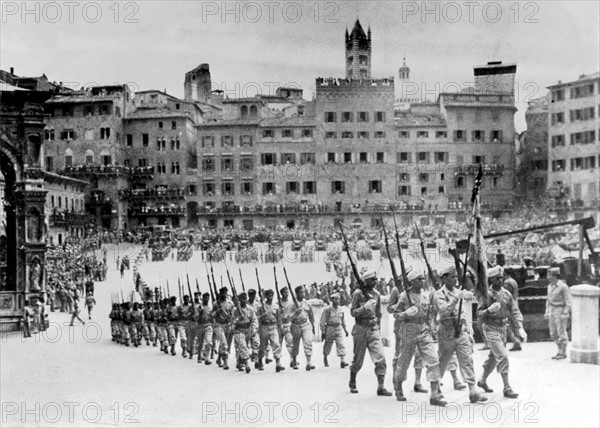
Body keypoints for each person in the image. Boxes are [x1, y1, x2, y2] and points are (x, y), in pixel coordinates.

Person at [432, 266, 487, 404]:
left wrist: (468, 331)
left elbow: (463, 313)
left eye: (456, 276)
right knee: (442, 362)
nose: (455, 279)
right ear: (444, 278)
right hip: (447, 332)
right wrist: (456, 298)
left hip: (461, 331)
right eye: (451, 276)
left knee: (467, 360)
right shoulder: (438, 294)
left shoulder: (459, 292)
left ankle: (473, 391)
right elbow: (443, 311)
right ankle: (434, 391)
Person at [392, 270, 446, 406]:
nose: (422, 281)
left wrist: (431, 327)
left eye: (423, 279)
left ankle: (434, 395)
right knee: (404, 361)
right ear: (412, 282)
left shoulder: (425, 296)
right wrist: (405, 313)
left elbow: (429, 314)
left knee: (433, 360)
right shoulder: (404, 296)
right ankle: (398, 387)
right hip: (409, 329)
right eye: (419, 279)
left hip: (423, 329)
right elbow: (396, 315)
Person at [477, 266, 526, 398]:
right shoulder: (486, 295)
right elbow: (479, 313)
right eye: (497, 278)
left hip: (503, 328)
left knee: (494, 356)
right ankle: (507, 387)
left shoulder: (506, 294)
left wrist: (520, 327)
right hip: (490, 327)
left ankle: (482, 380)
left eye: (501, 277)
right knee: (503, 356)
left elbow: (514, 311)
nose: (500, 280)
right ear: (491, 279)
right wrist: (488, 311)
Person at [349, 270, 392, 397]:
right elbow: (353, 312)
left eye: (375, 279)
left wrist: (377, 327)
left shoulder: (377, 294)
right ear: (365, 281)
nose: (375, 282)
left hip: (373, 329)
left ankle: (381, 386)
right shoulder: (358, 293)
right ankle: (352, 381)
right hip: (360, 328)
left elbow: (379, 313)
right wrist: (364, 308)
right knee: (358, 360)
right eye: (372, 280)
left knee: (381, 357)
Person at [256, 289, 285, 372]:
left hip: (273, 326)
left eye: (272, 295)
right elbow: (257, 318)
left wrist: (280, 328)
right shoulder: (261, 307)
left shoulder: (276, 306)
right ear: (265, 296)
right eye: (269, 295)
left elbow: (279, 319)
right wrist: (262, 316)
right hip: (264, 326)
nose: (271, 297)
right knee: (262, 346)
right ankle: (260, 361)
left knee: (276, 344)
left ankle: (278, 363)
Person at [545, 267, 571, 360]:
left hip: (560, 309)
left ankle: (563, 352)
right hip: (552, 309)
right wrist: (547, 311)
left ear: (554, 276)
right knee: (553, 333)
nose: (547, 277)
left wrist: (565, 313)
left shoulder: (563, 286)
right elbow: (548, 300)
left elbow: (568, 301)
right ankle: (559, 350)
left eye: (549, 275)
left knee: (561, 331)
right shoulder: (549, 286)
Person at [289, 285, 316, 371]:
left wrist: (313, 326)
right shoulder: (292, 304)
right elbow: (287, 317)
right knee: (295, 344)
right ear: (296, 293)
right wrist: (294, 314)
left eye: (303, 292)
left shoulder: (307, 303)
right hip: (295, 325)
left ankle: (309, 363)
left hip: (305, 324)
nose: (303, 294)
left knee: (308, 342)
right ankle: (294, 361)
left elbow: (311, 316)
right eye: (301, 292)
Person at [320, 292, 349, 368]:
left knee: (340, 344)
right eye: (335, 299)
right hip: (330, 328)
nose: (337, 300)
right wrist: (323, 332)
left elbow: (343, 321)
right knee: (328, 344)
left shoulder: (341, 309)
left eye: (338, 299)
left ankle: (342, 361)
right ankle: (325, 357)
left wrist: (345, 330)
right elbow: (322, 321)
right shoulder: (327, 309)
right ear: (332, 300)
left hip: (338, 328)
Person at [232, 292, 258, 373]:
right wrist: (237, 320)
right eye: (242, 299)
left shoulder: (250, 308)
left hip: (247, 330)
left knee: (244, 347)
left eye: (245, 298)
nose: (244, 300)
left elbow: (254, 319)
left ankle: (239, 361)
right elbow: (232, 321)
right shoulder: (235, 310)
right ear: (239, 300)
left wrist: (254, 329)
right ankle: (247, 364)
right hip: (239, 330)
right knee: (242, 346)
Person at [503, 270, 521, 351]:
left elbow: (506, 294)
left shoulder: (507, 282)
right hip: (515, 302)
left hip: (510, 305)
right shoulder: (513, 281)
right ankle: (517, 342)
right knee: (515, 324)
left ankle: (516, 342)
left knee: (510, 325)